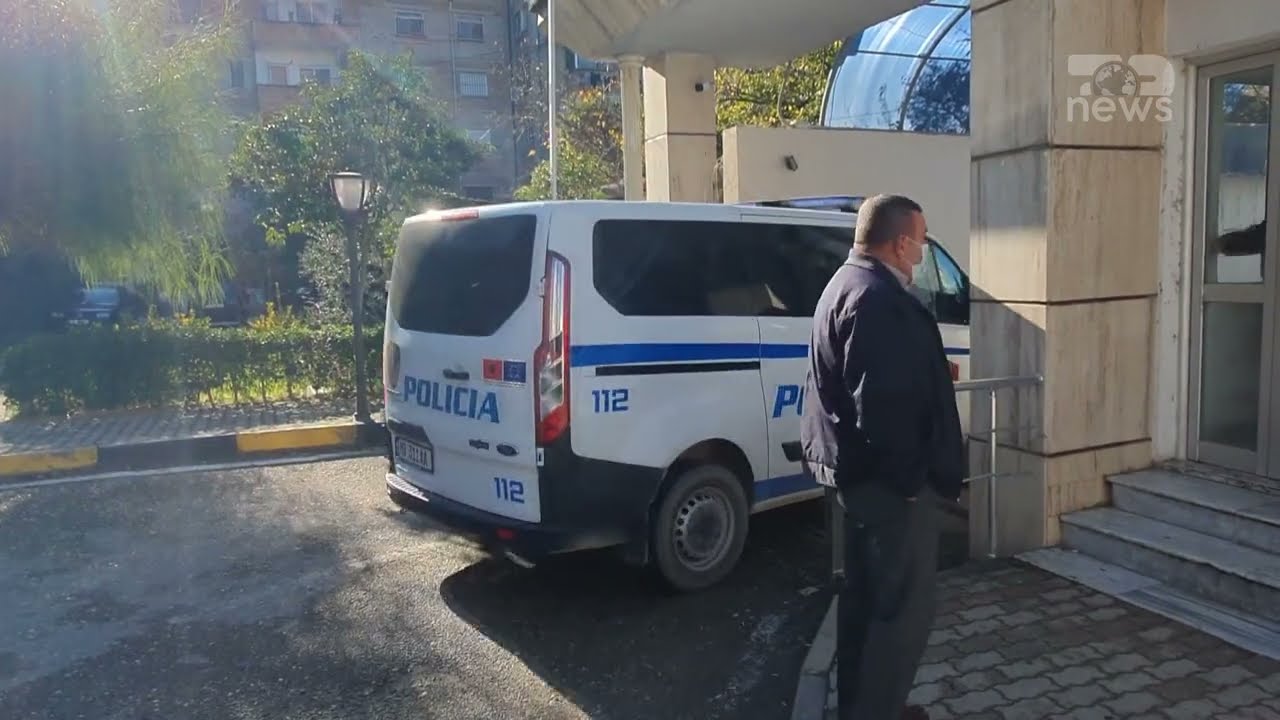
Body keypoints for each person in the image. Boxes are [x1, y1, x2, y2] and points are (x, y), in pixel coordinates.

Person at [801, 194, 964, 720]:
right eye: (921, 239)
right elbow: (884, 408)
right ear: (899, 242)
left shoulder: (846, 283)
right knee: (899, 615)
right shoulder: (878, 299)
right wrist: (911, 483)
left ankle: (867, 707)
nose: (922, 250)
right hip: (891, 490)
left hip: (862, 480)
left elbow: (875, 382)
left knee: (866, 608)